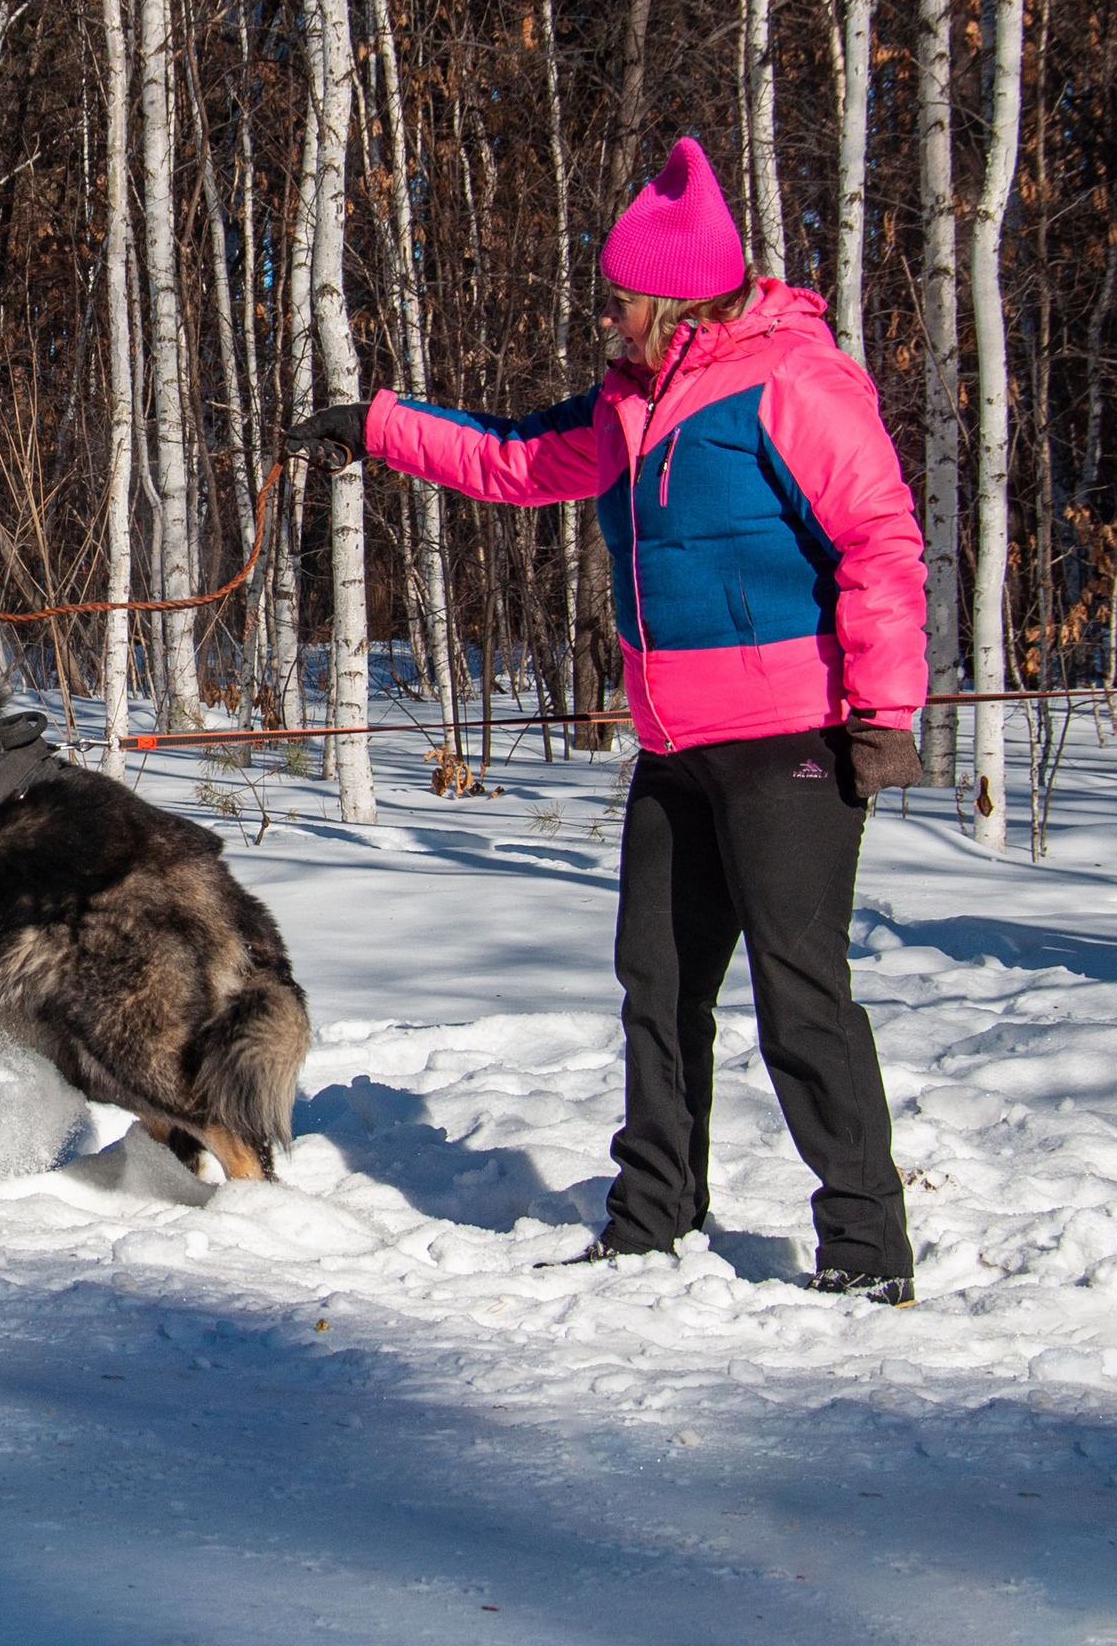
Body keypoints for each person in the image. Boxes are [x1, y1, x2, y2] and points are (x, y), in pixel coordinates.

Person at [295, 136, 927, 1304]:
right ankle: (652, 1215)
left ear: (681, 298)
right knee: (655, 983)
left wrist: (884, 708)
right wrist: (376, 426)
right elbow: (514, 460)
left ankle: (865, 1243)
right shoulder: (630, 402)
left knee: (801, 994)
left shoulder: (795, 382)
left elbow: (879, 541)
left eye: (622, 299)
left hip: (791, 740)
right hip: (675, 748)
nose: (605, 319)